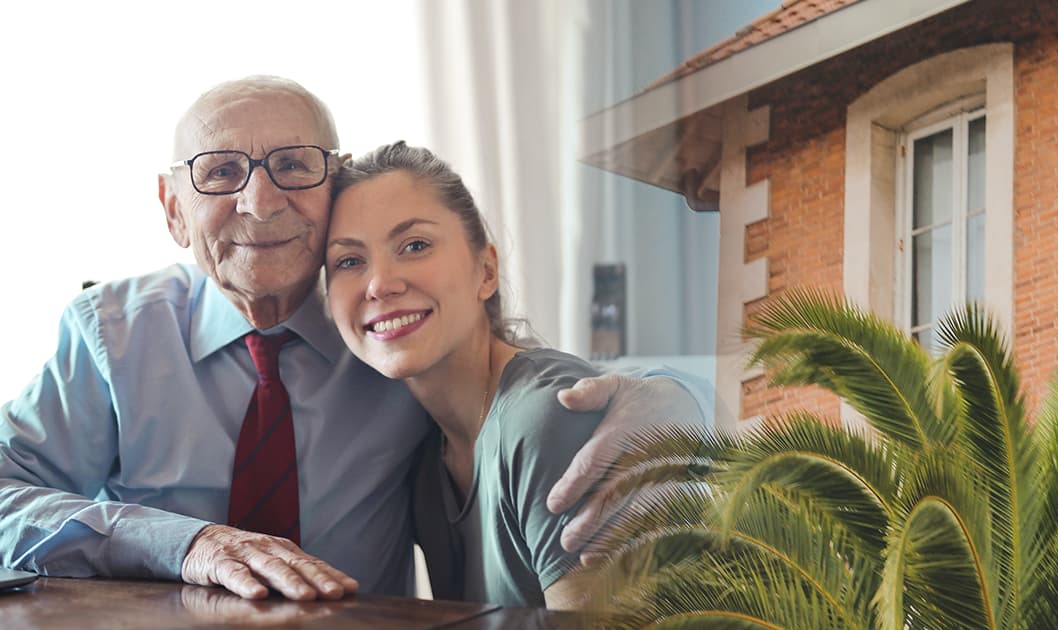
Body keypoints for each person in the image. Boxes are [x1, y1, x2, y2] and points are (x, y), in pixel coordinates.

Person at [0, 76, 707, 601]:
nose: (260, 200)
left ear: (330, 189)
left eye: (293, 165)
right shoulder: (110, 336)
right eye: (220, 172)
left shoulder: (388, 339)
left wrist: (683, 399)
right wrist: (185, 544)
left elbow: (539, 393)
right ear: (173, 211)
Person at [326, 141, 599, 608]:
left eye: (415, 245)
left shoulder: (550, 420)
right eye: (349, 261)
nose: (379, 284)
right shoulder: (425, 455)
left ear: (486, 270)